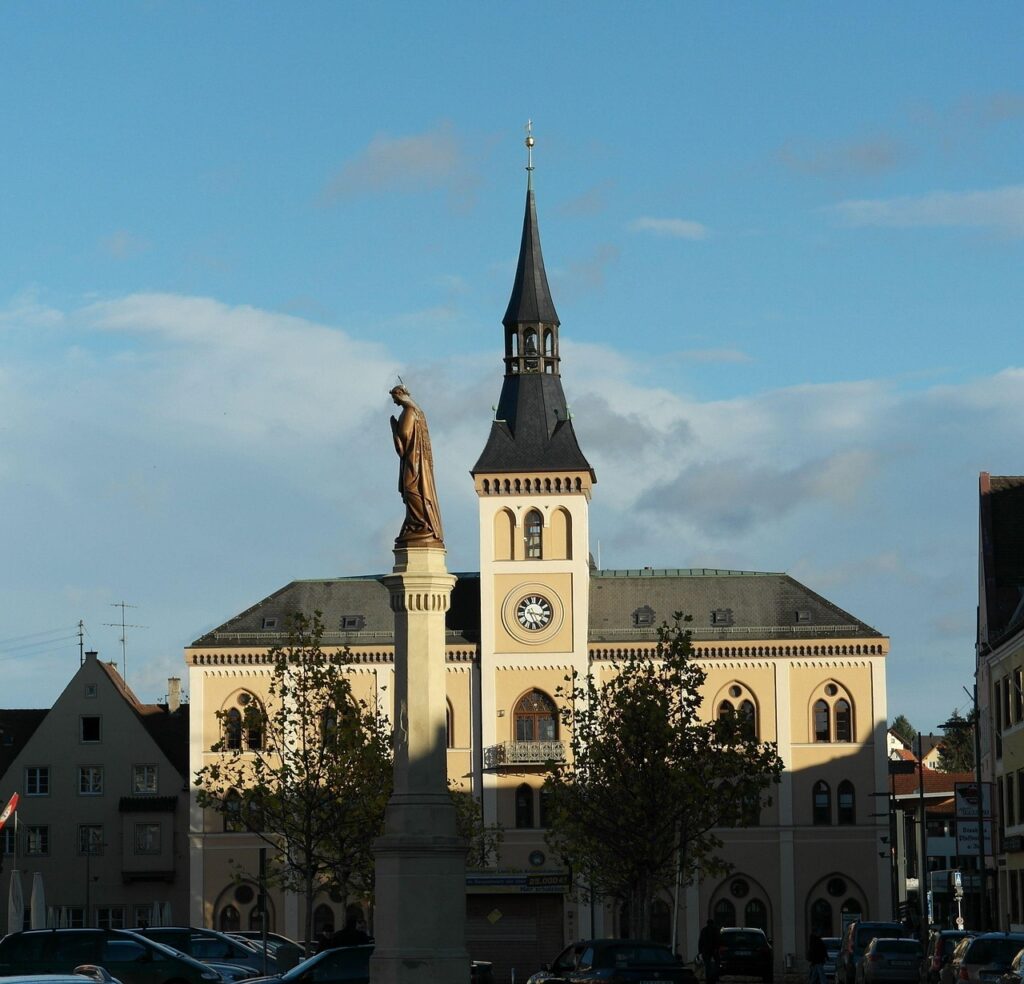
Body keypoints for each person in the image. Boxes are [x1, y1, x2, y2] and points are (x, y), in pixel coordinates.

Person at [389, 385, 444, 547]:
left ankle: (421, 524)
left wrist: (394, 429)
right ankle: (416, 524)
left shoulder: (409, 412)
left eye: (394, 397)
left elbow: (404, 434)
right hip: (415, 459)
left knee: (411, 488)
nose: (393, 401)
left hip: (414, 460)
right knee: (412, 490)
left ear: (400, 395)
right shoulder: (415, 411)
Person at [699, 919, 721, 984]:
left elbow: (700, 941)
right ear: (712, 923)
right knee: (717, 964)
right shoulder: (715, 930)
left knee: (707, 965)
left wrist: (700, 951)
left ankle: (708, 978)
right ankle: (714, 977)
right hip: (713, 950)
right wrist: (717, 948)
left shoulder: (704, 930)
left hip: (706, 950)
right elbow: (718, 940)